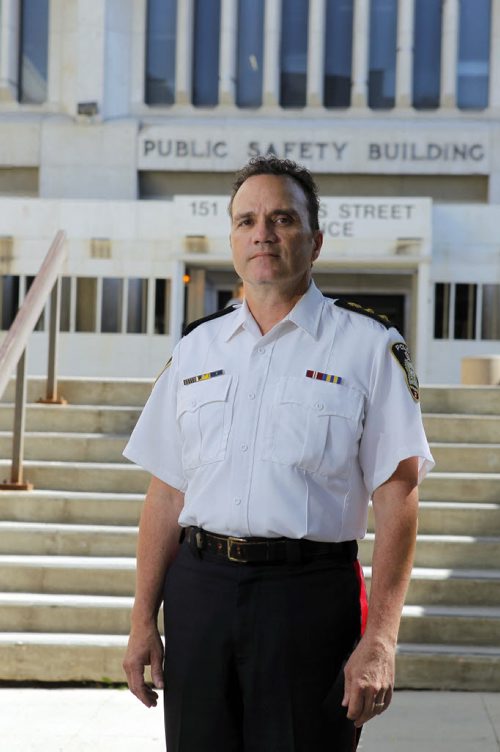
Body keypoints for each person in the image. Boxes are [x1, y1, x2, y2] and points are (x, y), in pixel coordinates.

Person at [122, 156, 434, 752]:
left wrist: (383, 639)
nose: (262, 232)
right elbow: (166, 492)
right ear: (233, 239)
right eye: (246, 220)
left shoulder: (370, 346)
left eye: (282, 218)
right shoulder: (196, 347)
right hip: (200, 595)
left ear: (314, 242)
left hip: (309, 600)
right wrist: (142, 620)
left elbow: (399, 499)